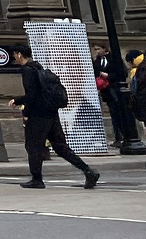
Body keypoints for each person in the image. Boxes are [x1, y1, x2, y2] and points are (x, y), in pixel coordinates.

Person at [8, 44, 99, 189]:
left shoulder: (27, 70)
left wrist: (25, 112)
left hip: (38, 115)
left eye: (14, 55)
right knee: (60, 146)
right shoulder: (38, 67)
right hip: (51, 113)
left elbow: (32, 95)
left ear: (19, 54)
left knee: (33, 146)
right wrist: (18, 100)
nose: (14, 58)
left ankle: (37, 179)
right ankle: (88, 171)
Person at [95, 43, 138, 148]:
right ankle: (118, 138)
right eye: (95, 49)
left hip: (116, 90)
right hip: (107, 92)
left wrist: (108, 76)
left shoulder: (114, 58)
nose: (96, 51)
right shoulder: (97, 61)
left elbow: (122, 73)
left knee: (121, 114)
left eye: (98, 49)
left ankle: (125, 136)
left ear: (104, 49)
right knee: (114, 115)